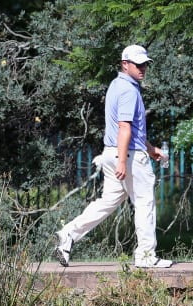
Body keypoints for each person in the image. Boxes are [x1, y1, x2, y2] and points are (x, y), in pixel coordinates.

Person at [55, 44, 173, 269]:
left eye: (145, 64)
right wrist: (122, 160)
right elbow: (124, 128)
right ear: (125, 64)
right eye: (138, 64)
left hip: (111, 152)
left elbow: (132, 131)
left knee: (107, 202)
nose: (142, 68)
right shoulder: (129, 90)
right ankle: (146, 256)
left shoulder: (116, 85)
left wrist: (150, 149)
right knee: (145, 202)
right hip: (126, 156)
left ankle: (68, 234)